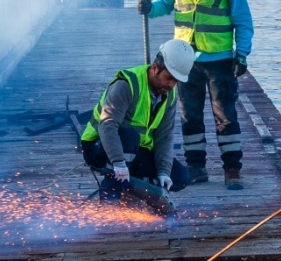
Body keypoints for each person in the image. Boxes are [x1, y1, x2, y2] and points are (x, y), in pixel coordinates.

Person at [138, 0, 254, 190]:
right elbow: (163, 4)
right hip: (183, 61)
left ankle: (232, 169)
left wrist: (242, 54)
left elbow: (243, 21)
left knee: (225, 115)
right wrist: (149, 8)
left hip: (220, 60)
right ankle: (196, 167)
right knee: (189, 115)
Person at [80, 38, 196, 193]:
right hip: (100, 147)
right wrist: (118, 162)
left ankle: (136, 189)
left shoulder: (169, 96)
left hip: (135, 150)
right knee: (130, 136)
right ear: (155, 68)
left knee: (181, 177)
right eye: (168, 78)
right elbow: (107, 125)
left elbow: (165, 136)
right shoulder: (127, 85)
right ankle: (111, 193)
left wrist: (163, 172)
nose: (171, 85)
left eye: (176, 81)